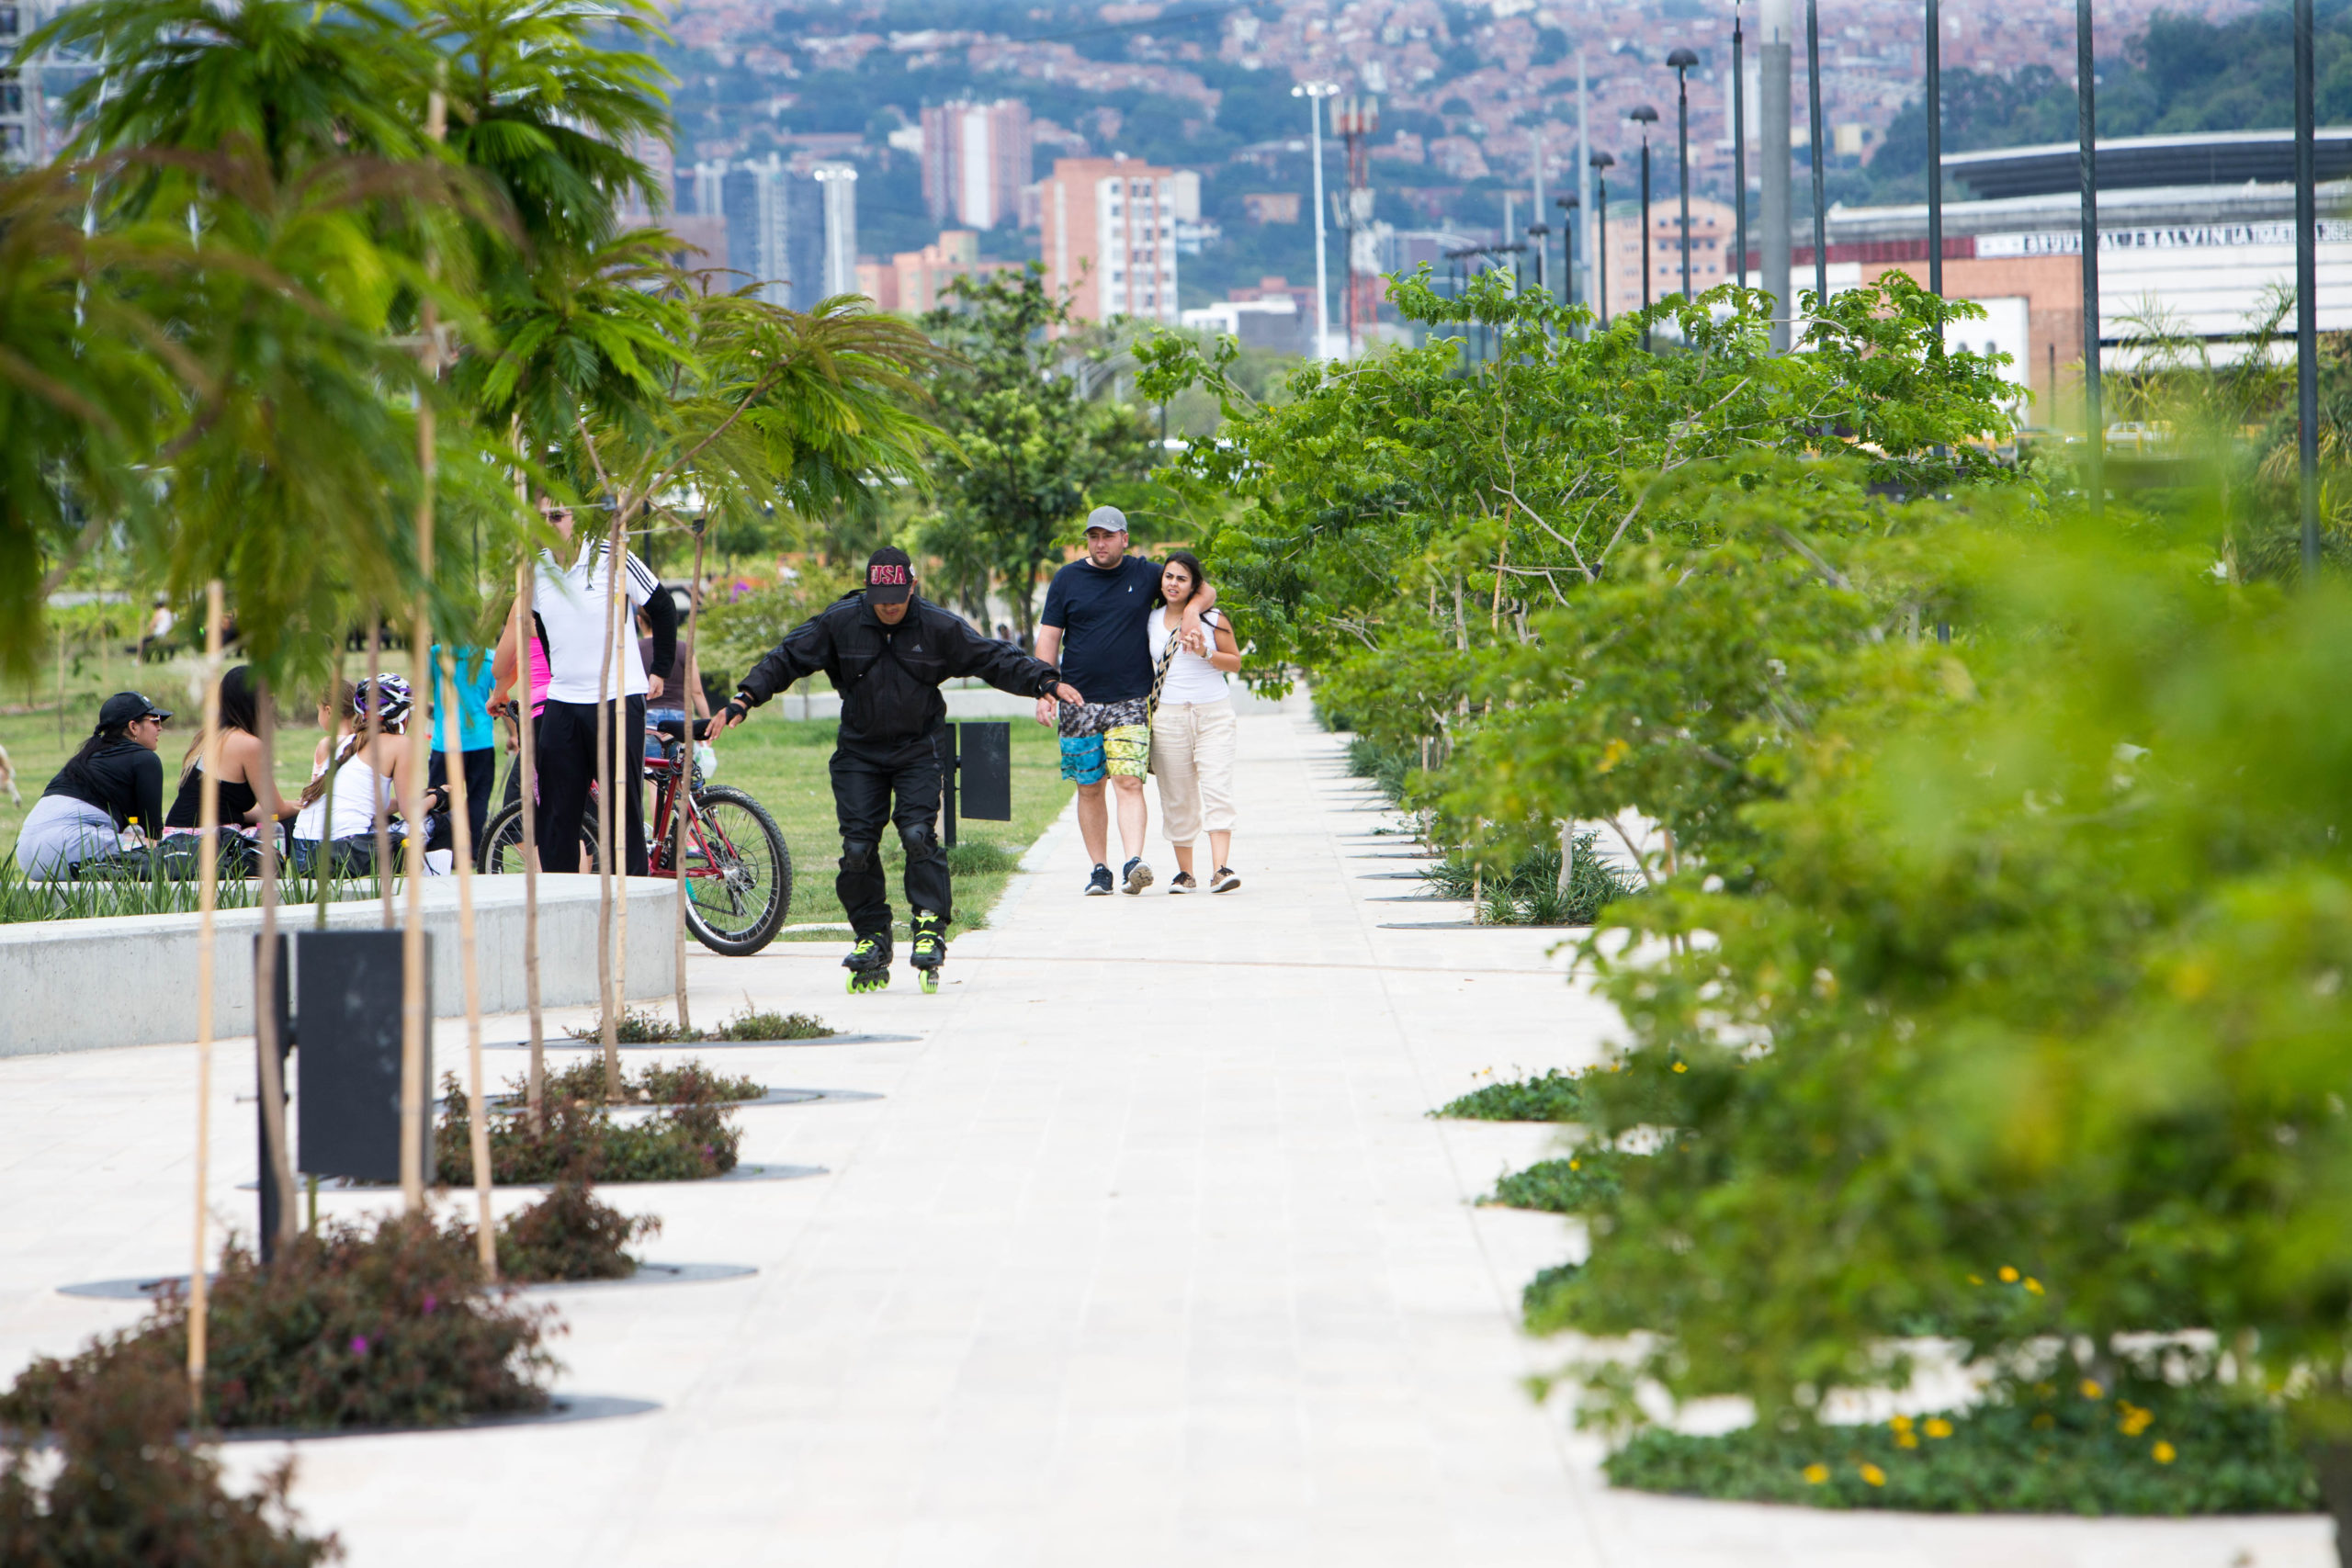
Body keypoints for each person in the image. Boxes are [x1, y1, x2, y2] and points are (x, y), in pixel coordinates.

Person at [708, 546, 1083, 991]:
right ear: (868, 590)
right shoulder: (841, 621)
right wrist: (745, 697)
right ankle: (871, 936)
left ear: (913, 587)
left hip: (917, 749)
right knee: (856, 848)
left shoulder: (938, 626)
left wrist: (1045, 680)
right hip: (859, 752)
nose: (888, 605)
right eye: (880, 597)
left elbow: (992, 657)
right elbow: (788, 656)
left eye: (897, 597)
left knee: (917, 835)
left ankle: (928, 924)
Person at [1033, 506, 1210, 897]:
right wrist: (1044, 689)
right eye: (1094, 536)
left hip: (1131, 698)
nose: (1100, 543)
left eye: (1108, 536)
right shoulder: (1067, 578)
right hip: (1077, 701)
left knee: (1129, 781)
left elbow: (1202, 586)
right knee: (1089, 785)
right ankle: (1100, 870)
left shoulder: (1145, 573)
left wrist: (1194, 612)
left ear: (1124, 539)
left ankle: (1134, 861)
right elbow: (1048, 638)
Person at [506, 497, 678, 876]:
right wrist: (559, 673)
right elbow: (542, 625)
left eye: (556, 515)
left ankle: (631, 902)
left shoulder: (612, 555)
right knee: (557, 814)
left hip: (617, 699)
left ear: (576, 517)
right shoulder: (535, 568)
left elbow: (663, 606)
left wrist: (660, 669)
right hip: (563, 703)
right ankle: (561, 902)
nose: (548, 523)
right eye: (539, 517)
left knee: (622, 812)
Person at [1147, 550, 1242, 894]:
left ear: (1194, 585)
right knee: (1177, 796)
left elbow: (1235, 663)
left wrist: (1205, 652)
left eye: (1182, 578)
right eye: (1169, 576)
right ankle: (1185, 874)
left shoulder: (1214, 618)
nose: (1173, 584)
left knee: (1217, 788)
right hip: (1169, 717)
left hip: (1213, 713)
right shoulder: (1150, 620)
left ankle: (1221, 869)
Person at [289, 674, 449, 873]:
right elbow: (411, 813)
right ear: (401, 715)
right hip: (344, 852)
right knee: (439, 823)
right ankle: (434, 893)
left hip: (303, 854)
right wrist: (437, 797)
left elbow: (363, 806)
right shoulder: (401, 744)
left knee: (388, 823)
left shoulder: (345, 742)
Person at [14, 691, 170, 878]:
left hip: (26, 853)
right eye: (155, 721)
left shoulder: (86, 757)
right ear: (133, 727)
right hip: (68, 848)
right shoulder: (145, 759)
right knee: (164, 852)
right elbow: (152, 835)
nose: (159, 728)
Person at [161, 664, 298, 871]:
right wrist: (307, 804)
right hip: (206, 843)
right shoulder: (248, 744)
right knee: (289, 824)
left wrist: (296, 803)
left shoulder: (208, 736)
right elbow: (275, 809)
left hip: (176, 838)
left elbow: (229, 809)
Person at [428, 643, 497, 850]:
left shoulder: (437, 654)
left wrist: (432, 712)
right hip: (481, 740)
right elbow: (500, 699)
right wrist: (513, 736)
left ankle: (441, 849)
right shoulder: (488, 656)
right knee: (478, 798)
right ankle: (474, 850)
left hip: (446, 741)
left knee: (440, 798)